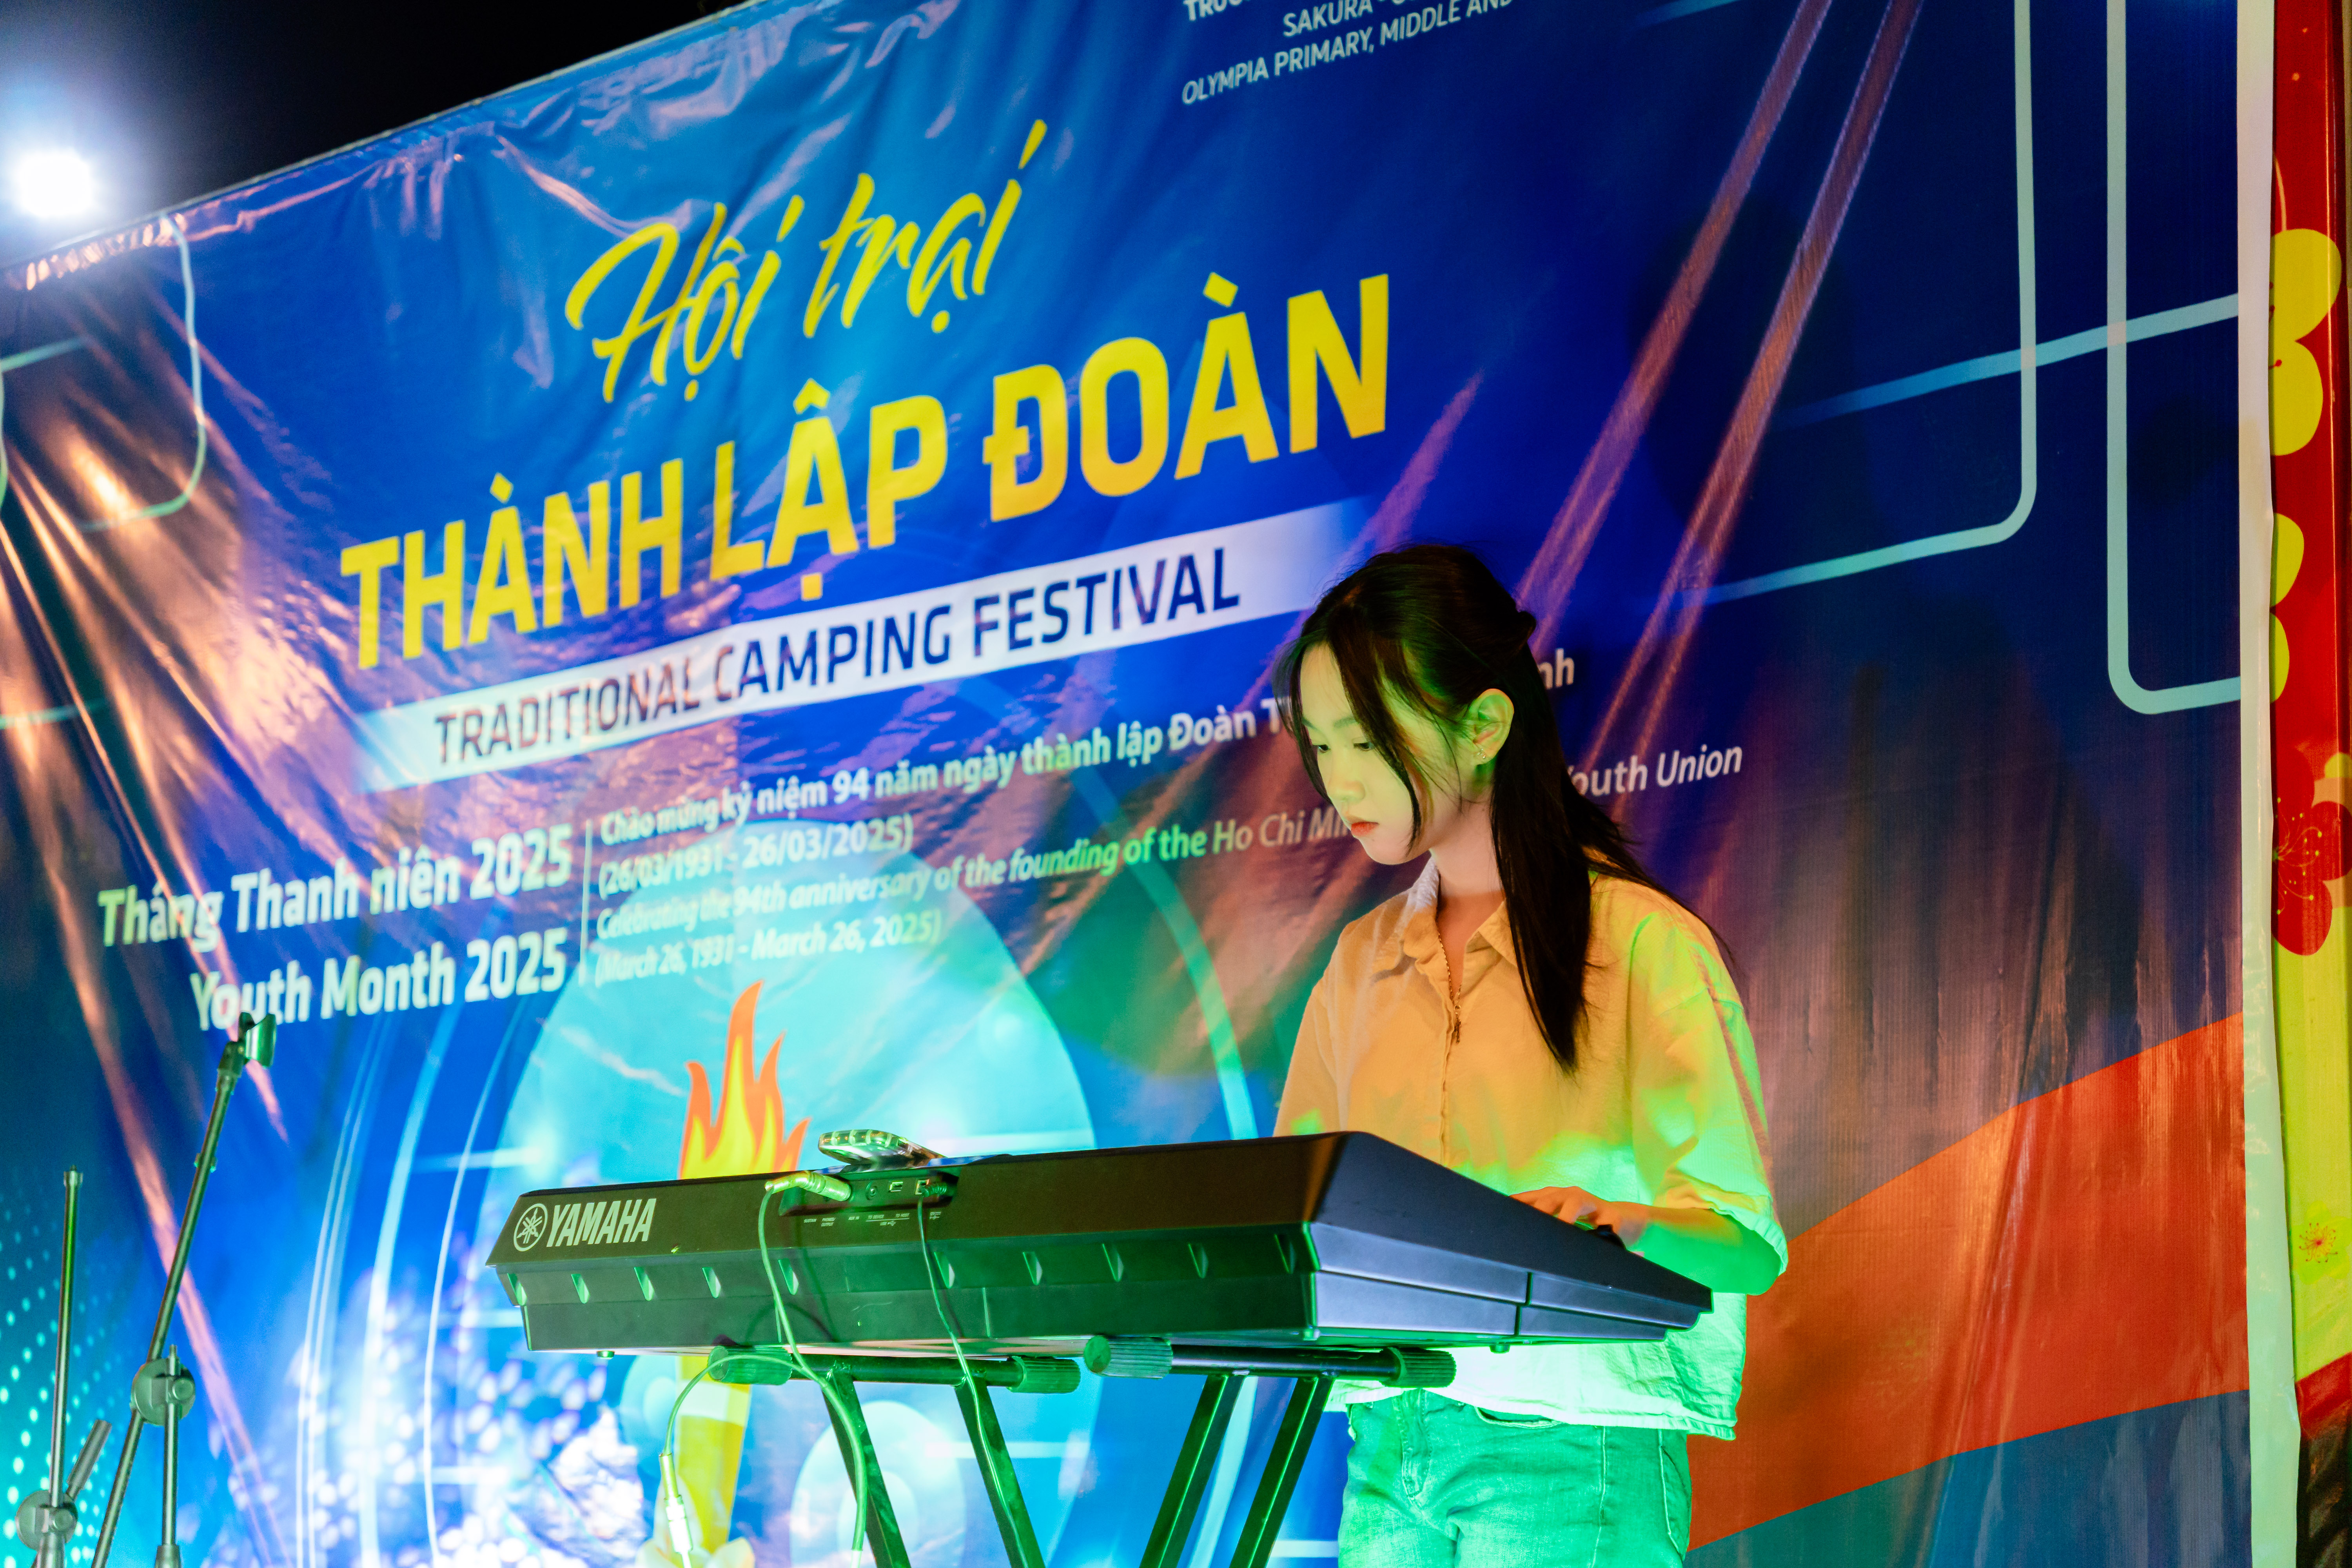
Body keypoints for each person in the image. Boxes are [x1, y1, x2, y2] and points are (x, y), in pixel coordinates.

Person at [1272, 544, 1784, 1568]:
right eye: (1323, 746)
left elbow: (1745, 1245)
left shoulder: (1641, 945)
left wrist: (1617, 1225)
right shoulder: (1360, 962)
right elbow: (1296, 1214)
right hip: (1388, 1435)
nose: (1340, 778)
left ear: (1486, 725)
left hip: (1569, 1440)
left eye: (1367, 738)